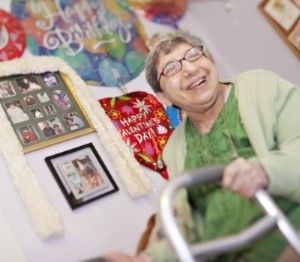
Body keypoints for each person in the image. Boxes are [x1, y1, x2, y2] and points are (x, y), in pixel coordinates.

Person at [104, 35, 300, 261]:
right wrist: (147, 258)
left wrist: (265, 171)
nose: (189, 69)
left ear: (210, 60)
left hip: (287, 235)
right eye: (171, 68)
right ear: (164, 98)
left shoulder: (260, 86)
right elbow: (187, 226)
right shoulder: (175, 148)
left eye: (194, 55)